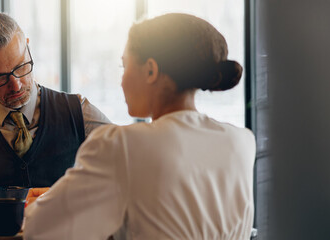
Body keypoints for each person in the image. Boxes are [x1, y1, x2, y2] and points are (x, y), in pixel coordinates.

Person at [23, 13, 255, 239]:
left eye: (124, 66)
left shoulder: (121, 145)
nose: (121, 81)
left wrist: (47, 202)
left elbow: (40, 228)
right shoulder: (241, 141)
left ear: (151, 70)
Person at [0, 10, 111, 219]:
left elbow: (133, 162)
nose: (16, 85)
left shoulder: (78, 111)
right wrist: (19, 211)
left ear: (28, 47)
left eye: (21, 66)